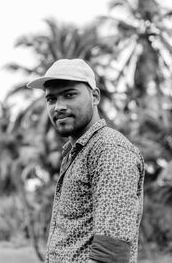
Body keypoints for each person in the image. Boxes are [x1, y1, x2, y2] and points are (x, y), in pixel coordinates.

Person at [27, 58, 145, 263]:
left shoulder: (109, 150)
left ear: (95, 96)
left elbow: (111, 256)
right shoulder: (78, 152)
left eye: (69, 95)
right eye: (51, 99)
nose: (58, 107)